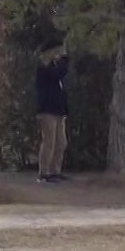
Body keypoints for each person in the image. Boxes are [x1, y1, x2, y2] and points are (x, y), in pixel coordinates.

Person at [34, 39, 70, 183]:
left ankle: (56, 170)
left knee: (61, 141)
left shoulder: (55, 66)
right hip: (47, 109)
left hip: (58, 109)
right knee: (49, 140)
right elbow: (57, 74)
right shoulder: (43, 67)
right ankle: (44, 172)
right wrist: (65, 60)